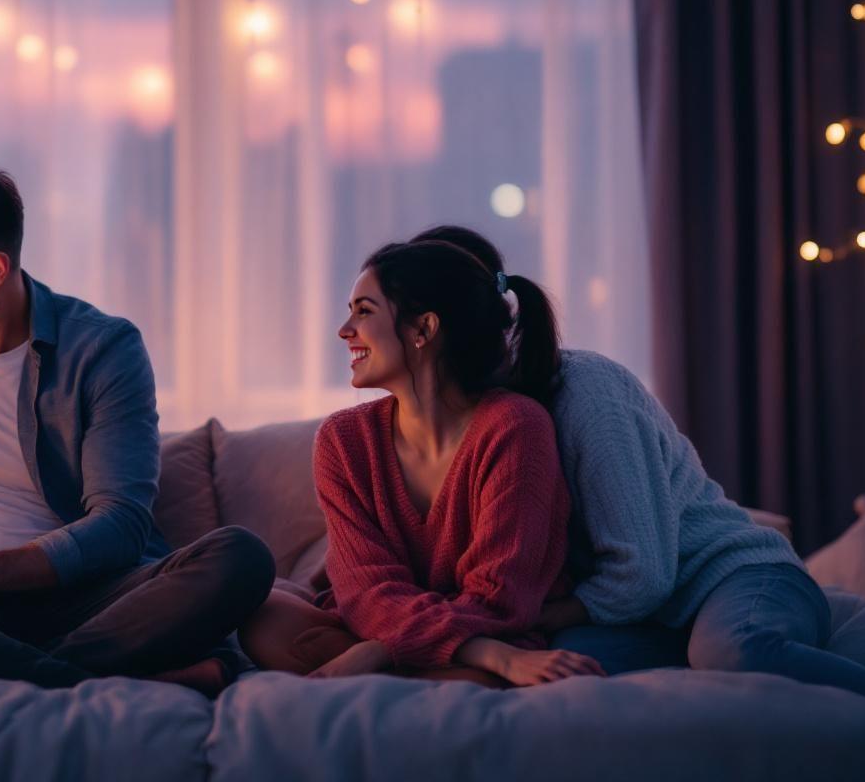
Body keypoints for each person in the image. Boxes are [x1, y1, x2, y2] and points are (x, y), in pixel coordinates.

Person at [411, 224, 865, 716]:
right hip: (642, 620)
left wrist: (526, 618)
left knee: (734, 651)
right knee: (565, 685)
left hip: (730, 577)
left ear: (432, 326)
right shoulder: (454, 423)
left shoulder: (585, 390)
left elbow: (642, 575)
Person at [0, 160, 274, 694]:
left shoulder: (102, 349)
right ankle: (91, 678)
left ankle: (11, 672)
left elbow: (121, 525)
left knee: (240, 557)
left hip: (85, 598)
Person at [239, 239, 604, 687]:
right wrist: (486, 654)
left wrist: (379, 651)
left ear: (424, 328)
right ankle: (451, 670)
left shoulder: (516, 426)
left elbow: (500, 599)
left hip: (480, 627)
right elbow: (364, 590)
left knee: (476, 667)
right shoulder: (342, 441)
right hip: (459, 640)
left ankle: (416, 673)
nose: (344, 330)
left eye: (364, 311)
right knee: (263, 615)